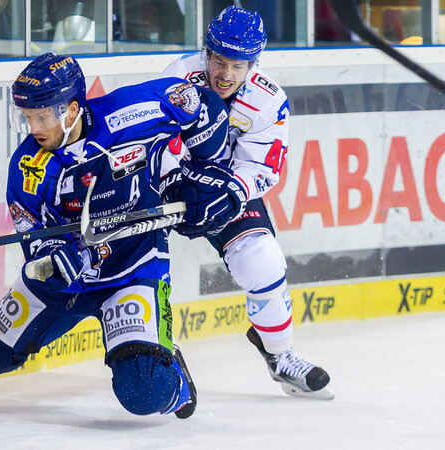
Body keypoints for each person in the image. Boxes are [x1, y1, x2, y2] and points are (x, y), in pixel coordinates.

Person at [0, 52, 232, 418]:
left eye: (43, 116)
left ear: (72, 109)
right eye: (28, 117)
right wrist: (52, 254)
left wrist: (206, 172)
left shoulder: (132, 112)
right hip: (67, 279)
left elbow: (201, 105)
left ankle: (169, 367)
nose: (34, 128)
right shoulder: (28, 167)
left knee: (145, 393)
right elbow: (33, 234)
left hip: (132, 268)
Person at [161, 6, 334, 400]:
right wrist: (174, 181)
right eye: (219, 60)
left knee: (263, 259)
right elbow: (153, 142)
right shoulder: (176, 79)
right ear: (207, 53)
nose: (225, 74)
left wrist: (226, 193)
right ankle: (150, 351)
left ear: (254, 63)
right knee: (133, 264)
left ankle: (280, 355)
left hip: (224, 190)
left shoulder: (269, 100)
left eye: (238, 65)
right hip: (168, 185)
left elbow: (260, 167)